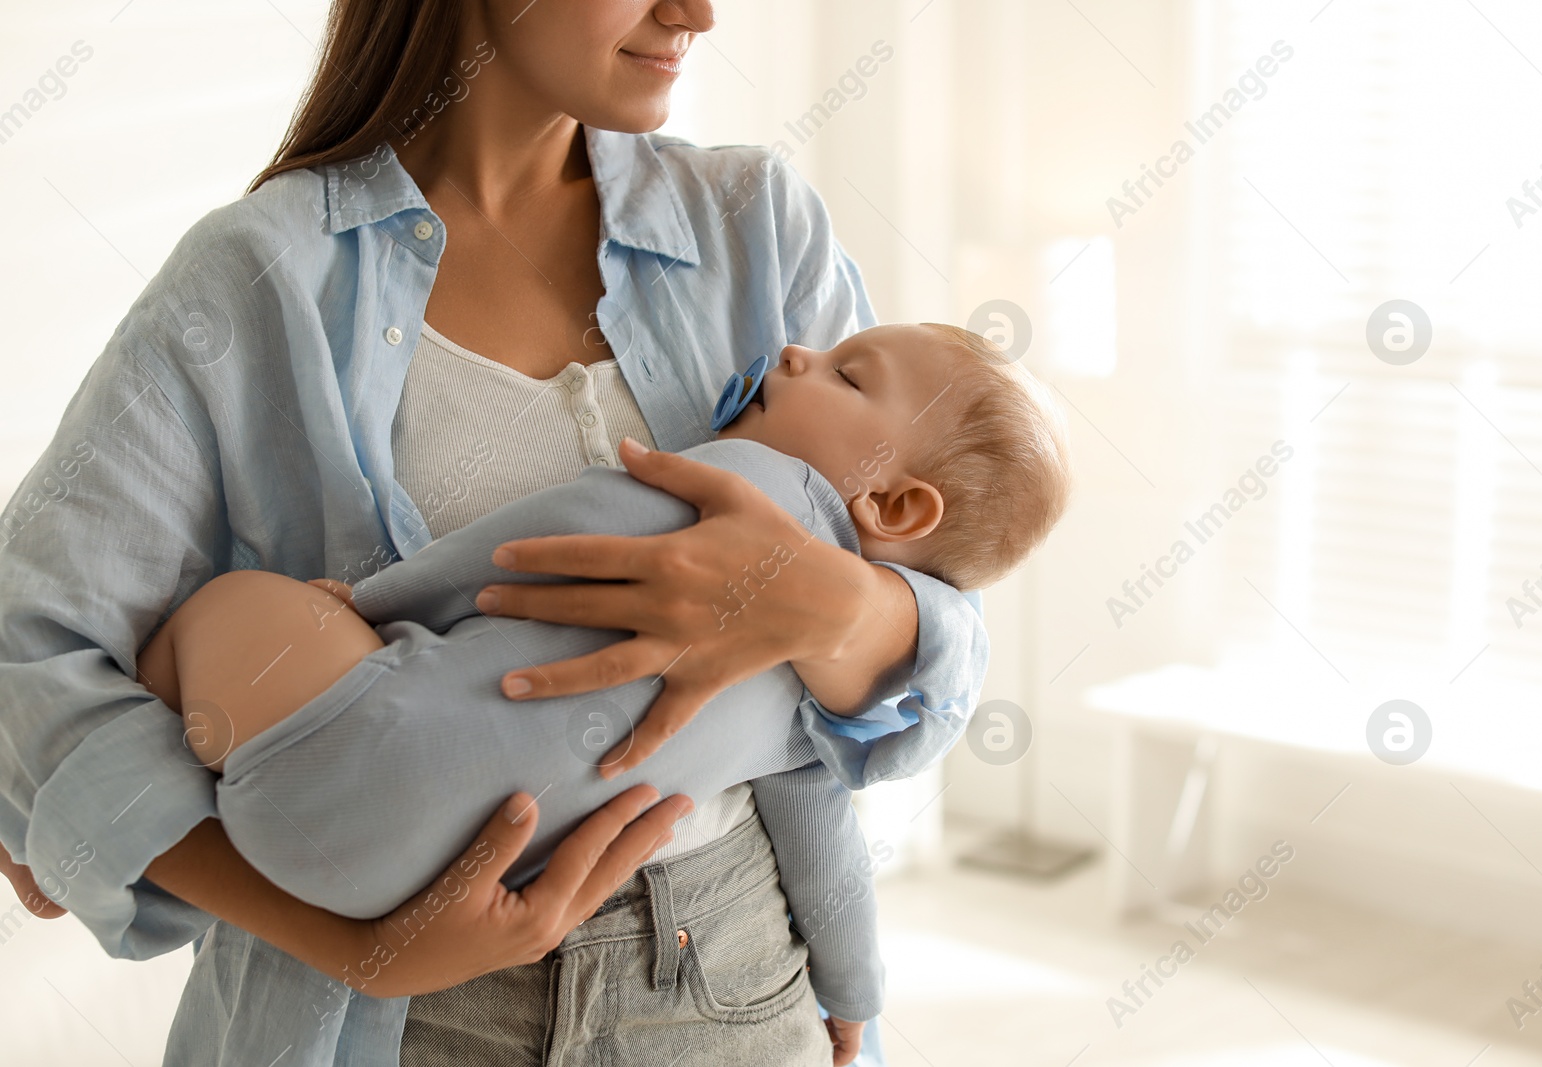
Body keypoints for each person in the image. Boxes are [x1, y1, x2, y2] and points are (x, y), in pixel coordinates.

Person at [0, 2, 990, 1065]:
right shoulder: (263, 276)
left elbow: (935, 610)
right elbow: (29, 660)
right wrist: (356, 945)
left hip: (730, 974)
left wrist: (844, 603)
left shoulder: (755, 226)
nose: (696, 12)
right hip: (382, 1018)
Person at [131, 323, 1070, 1062]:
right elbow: (825, 850)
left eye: (846, 374)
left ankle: (161, 712)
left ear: (895, 505)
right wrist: (854, 992)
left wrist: (368, 608)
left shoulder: (742, 481)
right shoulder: (809, 712)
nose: (795, 349)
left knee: (226, 605)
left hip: (334, 761)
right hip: (404, 883)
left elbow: (537, 547)